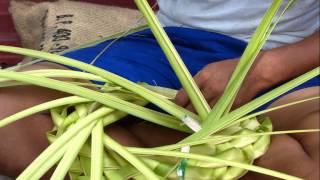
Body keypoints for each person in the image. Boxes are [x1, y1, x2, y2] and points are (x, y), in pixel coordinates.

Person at [0, 1, 319, 179]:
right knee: (8, 116)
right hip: (170, 44)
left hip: (290, 58)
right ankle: (219, 152)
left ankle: (174, 147)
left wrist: (265, 69)